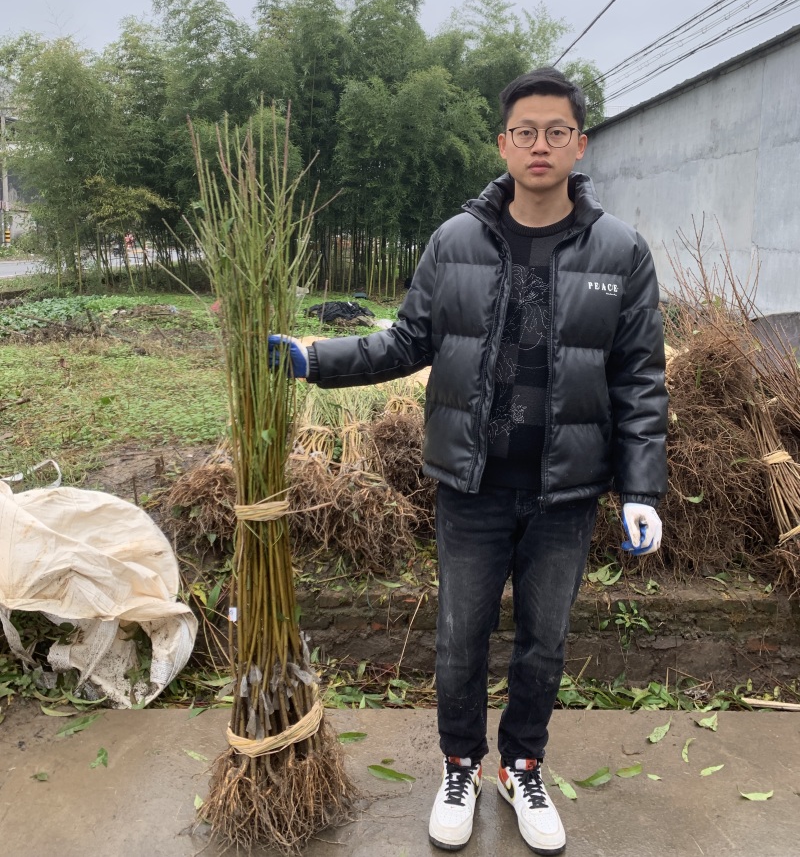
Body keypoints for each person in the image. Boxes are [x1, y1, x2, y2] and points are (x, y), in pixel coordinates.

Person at [269, 67, 668, 855]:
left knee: (544, 641)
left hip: (566, 491)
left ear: (580, 144)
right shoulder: (455, 241)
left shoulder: (620, 250)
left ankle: (522, 765)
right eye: (526, 131)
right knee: (459, 638)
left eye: (558, 131)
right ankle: (460, 764)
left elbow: (640, 377)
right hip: (472, 485)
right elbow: (407, 341)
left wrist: (641, 485)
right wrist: (319, 360)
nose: (541, 144)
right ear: (504, 143)